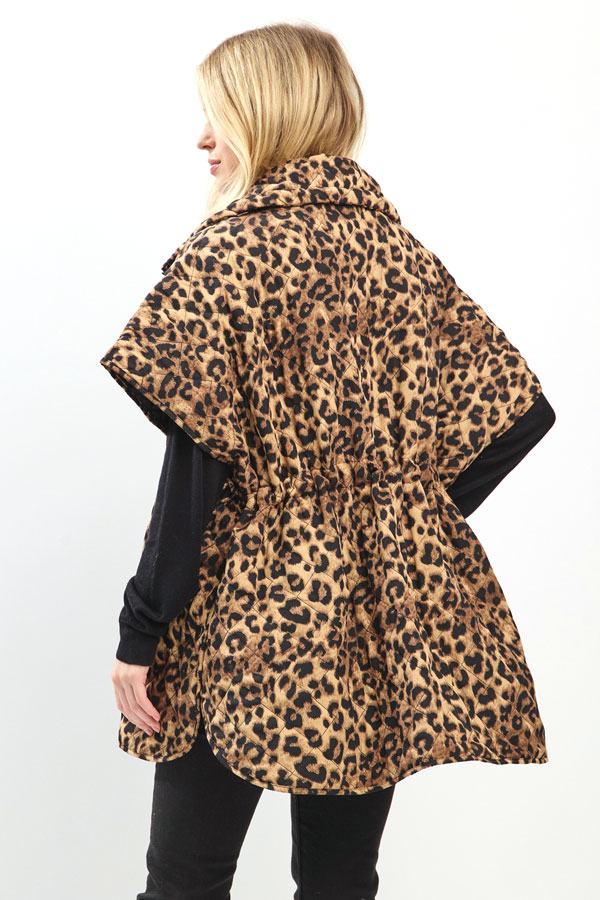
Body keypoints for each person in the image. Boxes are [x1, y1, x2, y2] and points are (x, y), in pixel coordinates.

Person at [102, 21, 556, 900]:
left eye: (220, 114)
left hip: (241, 619)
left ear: (269, 115)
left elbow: (195, 477)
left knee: (186, 878)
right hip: (369, 612)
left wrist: (140, 629)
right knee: (341, 878)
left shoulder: (224, 258)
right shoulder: (401, 256)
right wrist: (398, 518)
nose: (203, 138)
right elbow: (518, 415)